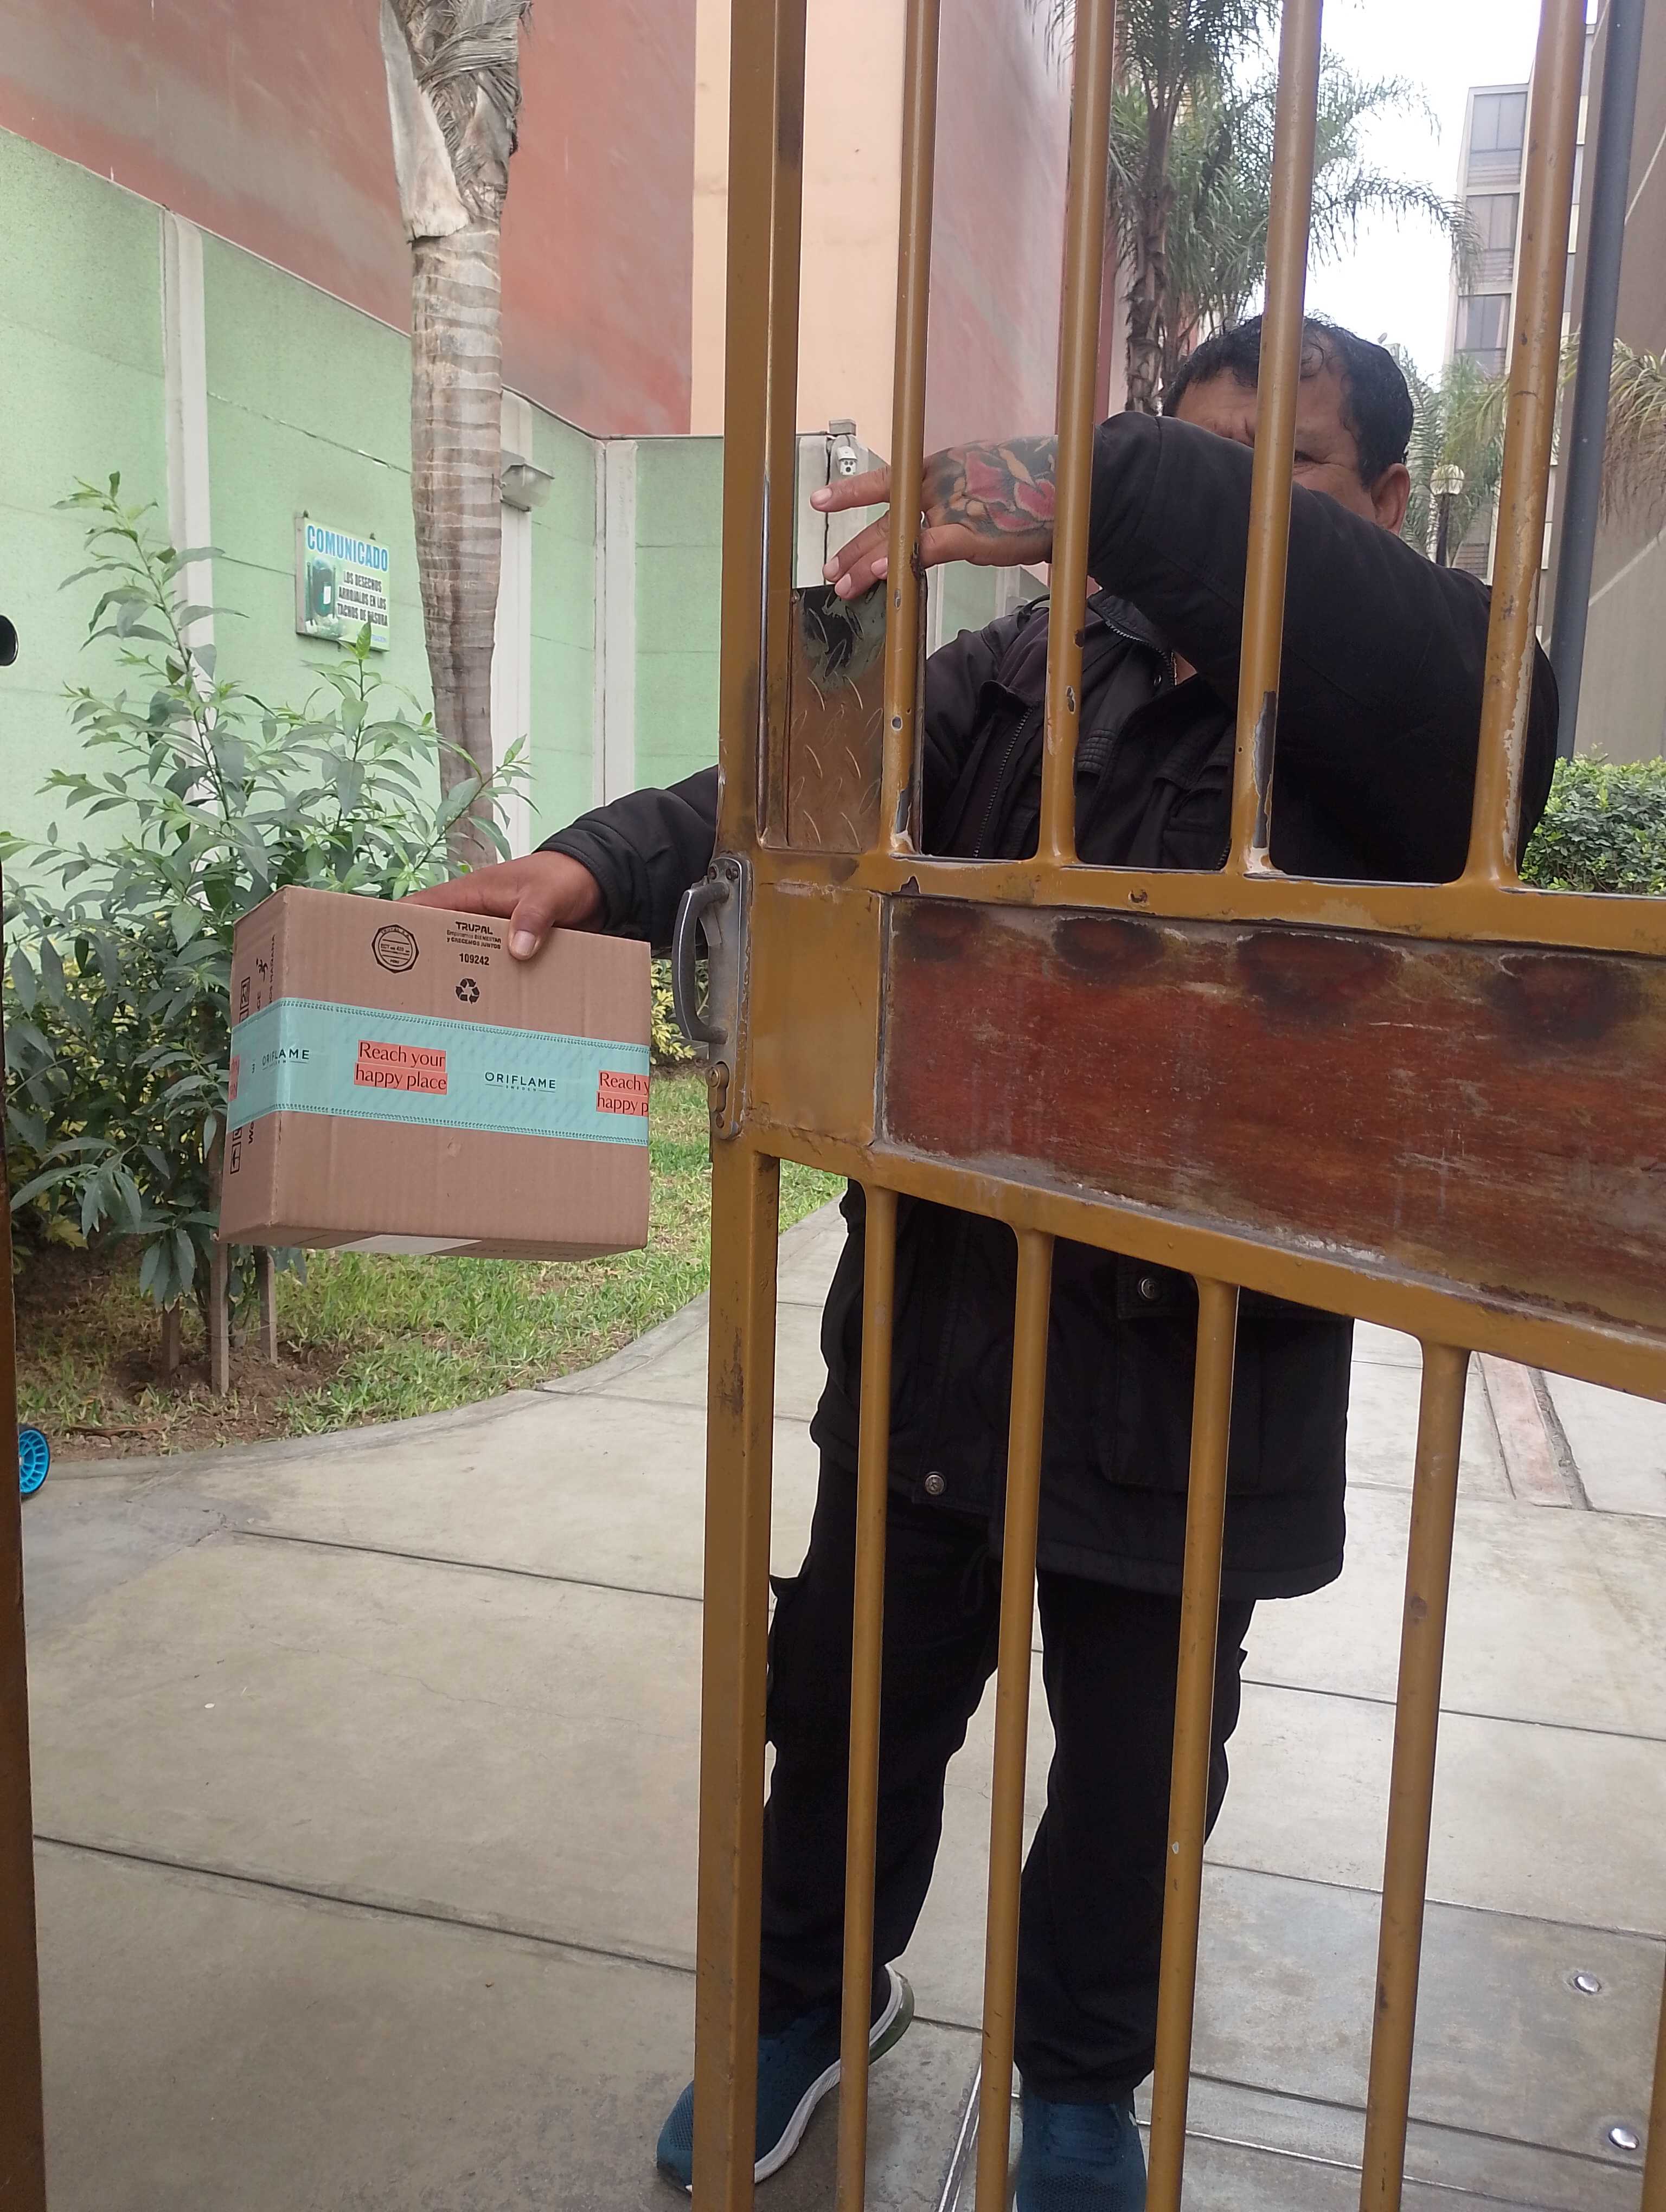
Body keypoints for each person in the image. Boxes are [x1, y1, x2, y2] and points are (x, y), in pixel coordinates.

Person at [408, 317, 1558, 2209]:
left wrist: (1119, 477)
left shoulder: (1434, 699)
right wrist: (601, 866)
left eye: (1281, 469)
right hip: (944, 1329)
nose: (1218, 509)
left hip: (1198, 1377)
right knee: (847, 1708)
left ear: (1381, 499)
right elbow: (798, 800)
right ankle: (809, 2000)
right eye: (1198, 458)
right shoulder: (1031, 665)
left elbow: (1412, 677)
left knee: (1135, 1781)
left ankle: (1081, 2084)